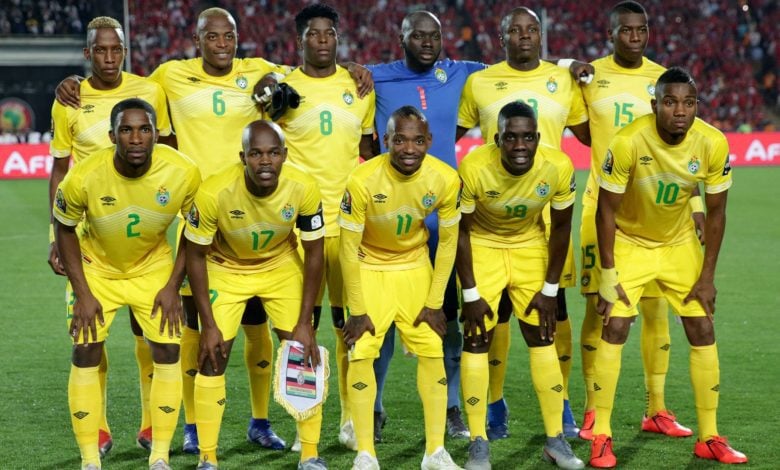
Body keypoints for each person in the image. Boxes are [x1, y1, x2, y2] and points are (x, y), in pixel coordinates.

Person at [589, 67, 747, 467]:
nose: (680, 111)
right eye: (672, 102)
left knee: (702, 326)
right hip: (629, 241)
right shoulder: (628, 141)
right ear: (655, 104)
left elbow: (717, 212)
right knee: (617, 325)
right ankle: (602, 434)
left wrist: (708, 276)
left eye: (689, 103)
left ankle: (709, 437)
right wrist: (608, 273)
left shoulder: (712, 142)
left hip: (678, 244)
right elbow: (605, 211)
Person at [456, 6, 589, 440]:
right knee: (494, 319)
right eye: (516, 30)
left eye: (533, 29)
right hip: (493, 211)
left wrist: (571, 65)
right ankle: (493, 404)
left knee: (554, 315)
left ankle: (562, 404)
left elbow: (590, 134)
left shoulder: (564, 79)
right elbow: (449, 131)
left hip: (548, 211)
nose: (525, 36)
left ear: (543, 35)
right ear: (502, 37)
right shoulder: (480, 81)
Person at [47, 16, 173, 456]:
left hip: (144, 240)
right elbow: (60, 170)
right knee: (89, 333)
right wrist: (53, 233)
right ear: (87, 54)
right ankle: (96, 431)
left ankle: (149, 425)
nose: (108, 57)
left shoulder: (150, 91)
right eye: (99, 50)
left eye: (115, 49)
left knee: (150, 335)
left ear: (126, 51)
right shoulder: (69, 100)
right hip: (88, 239)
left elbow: (169, 155)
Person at [53, 98, 200, 470]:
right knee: (86, 348)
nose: (136, 138)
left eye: (145, 129)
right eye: (126, 130)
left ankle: (160, 456)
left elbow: (194, 231)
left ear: (156, 135)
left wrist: (171, 286)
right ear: (111, 136)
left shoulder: (183, 172)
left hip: (152, 268)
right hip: (96, 269)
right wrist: (83, 292)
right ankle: (90, 459)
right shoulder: (84, 175)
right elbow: (64, 228)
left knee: (168, 350)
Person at [576, 0, 700, 441]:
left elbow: (686, 152)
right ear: (611, 34)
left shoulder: (663, 78)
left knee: (656, 308)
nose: (635, 36)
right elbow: (583, 131)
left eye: (641, 29)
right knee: (602, 306)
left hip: (655, 213)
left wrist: (697, 208)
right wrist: (569, 65)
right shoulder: (589, 77)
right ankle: (593, 410)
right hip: (603, 208)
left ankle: (657, 408)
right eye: (626, 30)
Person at [365, 10, 487, 442]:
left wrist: (568, 66)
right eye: (417, 35)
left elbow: (516, 70)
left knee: (447, 315)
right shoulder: (374, 76)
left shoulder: (459, 72)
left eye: (434, 35)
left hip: (443, 216)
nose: (427, 41)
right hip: (388, 218)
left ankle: (452, 405)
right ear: (401, 38)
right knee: (380, 322)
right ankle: (374, 408)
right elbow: (326, 75)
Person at [184, 120, 326, 470]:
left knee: (302, 354)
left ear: (285, 155)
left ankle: (309, 454)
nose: (266, 161)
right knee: (213, 355)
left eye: (274, 153)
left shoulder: (304, 187)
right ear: (242, 156)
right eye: (256, 153)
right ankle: (208, 458)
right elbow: (195, 255)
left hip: (279, 265)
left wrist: (305, 322)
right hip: (225, 266)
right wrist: (209, 323)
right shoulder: (215, 191)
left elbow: (316, 254)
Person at [456, 101, 583, 470]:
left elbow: (560, 228)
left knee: (542, 336)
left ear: (538, 138)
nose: (520, 145)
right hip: (482, 244)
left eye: (528, 137)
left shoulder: (558, 166)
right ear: (497, 139)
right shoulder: (475, 167)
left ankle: (555, 440)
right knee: (477, 336)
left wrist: (549, 289)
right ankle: (479, 443)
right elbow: (460, 232)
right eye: (510, 137)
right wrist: (470, 294)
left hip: (530, 245)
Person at [272, 3, 375, 450]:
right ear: (300, 41)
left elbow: (370, 153)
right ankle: (305, 418)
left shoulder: (359, 86)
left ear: (338, 37)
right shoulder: (281, 88)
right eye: (313, 34)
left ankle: (351, 420)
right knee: (302, 327)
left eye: (329, 33)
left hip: (349, 226)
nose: (322, 41)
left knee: (348, 325)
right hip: (300, 229)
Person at [340, 106, 461, 470]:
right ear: (385, 140)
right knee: (361, 352)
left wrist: (435, 301)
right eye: (400, 140)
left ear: (429, 142)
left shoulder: (445, 179)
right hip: (370, 266)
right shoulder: (361, 180)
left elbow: (450, 243)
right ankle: (365, 452)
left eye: (417, 140)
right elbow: (347, 248)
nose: (409, 148)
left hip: (414, 267)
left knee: (432, 350)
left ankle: (435, 453)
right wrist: (358, 309)